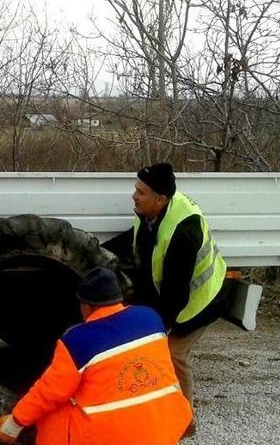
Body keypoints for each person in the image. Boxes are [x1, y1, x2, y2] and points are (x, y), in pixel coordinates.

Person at [0, 267, 191, 445]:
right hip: (167, 426)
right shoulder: (151, 318)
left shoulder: (78, 341)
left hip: (116, 438)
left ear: (85, 306)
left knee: (54, 412)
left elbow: (49, 391)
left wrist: (14, 423)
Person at [101, 162, 229, 433]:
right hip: (171, 293)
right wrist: (98, 252)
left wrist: (160, 329)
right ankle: (154, 404)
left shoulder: (184, 231)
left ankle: (186, 420)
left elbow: (176, 295)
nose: (134, 195)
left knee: (173, 352)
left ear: (160, 199)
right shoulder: (149, 212)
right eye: (135, 189)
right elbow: (132, 239)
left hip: (200, 300)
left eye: (141, 192)